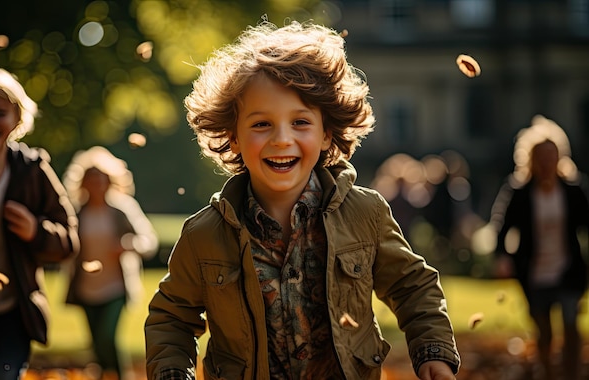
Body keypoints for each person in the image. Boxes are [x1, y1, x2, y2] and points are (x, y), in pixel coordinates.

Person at [145, 20, 460, 380]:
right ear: (232, 138)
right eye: (261, 124)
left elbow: (412, 286)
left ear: (327, 134)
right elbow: (171, 316)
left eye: (300, 123)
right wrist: (171, 372)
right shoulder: (204, 235)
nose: (281, 139)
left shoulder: (364, 213)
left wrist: (432, 349)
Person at [0, 65, 80, 380]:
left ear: (17, 117)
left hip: (14, 315)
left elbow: (69, 240)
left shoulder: (33, 170)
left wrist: (36, 231)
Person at [490, 115, 589, 380]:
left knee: (571, 325)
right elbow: (502, 226)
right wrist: (501, 257)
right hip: (534, 272)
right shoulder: (519, 192)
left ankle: (572, 374)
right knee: (543, 331)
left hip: (568, 270)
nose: (547, 162)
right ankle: (546, 372)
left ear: (560, 157)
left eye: (552, 155)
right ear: (530, 159)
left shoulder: (572, 190)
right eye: (541, 156)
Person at [63, 146, 159, 380]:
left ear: (110, 181)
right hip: (86, 288)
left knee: (108, 337)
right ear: (82, 183)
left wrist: (129, 245)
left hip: (115, 286)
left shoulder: (121, 209)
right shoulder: (76, 213)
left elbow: (148, 241)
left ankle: (121, 376)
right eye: (91, 179)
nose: (96, 184)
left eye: (101, 179)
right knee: (96, 343)